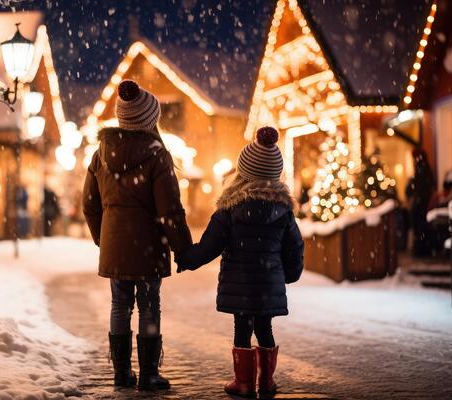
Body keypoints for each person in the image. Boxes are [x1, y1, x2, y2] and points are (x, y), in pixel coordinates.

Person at [176, 127, 304, 398]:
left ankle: (244, 383)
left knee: (242, 328)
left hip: (240, 282)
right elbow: (295, 246)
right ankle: (266, 382)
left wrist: (187, 258)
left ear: (242, 172)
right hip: (268, 284)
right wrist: (289, 274)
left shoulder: (230, 208)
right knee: (265, 327)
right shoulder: (284, 211)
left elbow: (210, 246)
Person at [82, 80, 192, 391]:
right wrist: (182, 248)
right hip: (147, 246)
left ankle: (121, 373)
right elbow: (170, 209)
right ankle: (148, 374)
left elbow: (88, 204)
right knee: (148, 304)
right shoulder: (157, 154)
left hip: (116, 245)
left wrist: (104, 239)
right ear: (149, 119)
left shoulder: (101, 153)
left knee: (119, 305)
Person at [405, 148, 436, 257]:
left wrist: (414, 193)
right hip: (423, 203)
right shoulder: (424, 168)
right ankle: (423, 249)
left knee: (420, 226)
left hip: (421, 203)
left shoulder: (420, 169)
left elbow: (420, 186)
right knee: (422, 227)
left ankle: (421, 250)